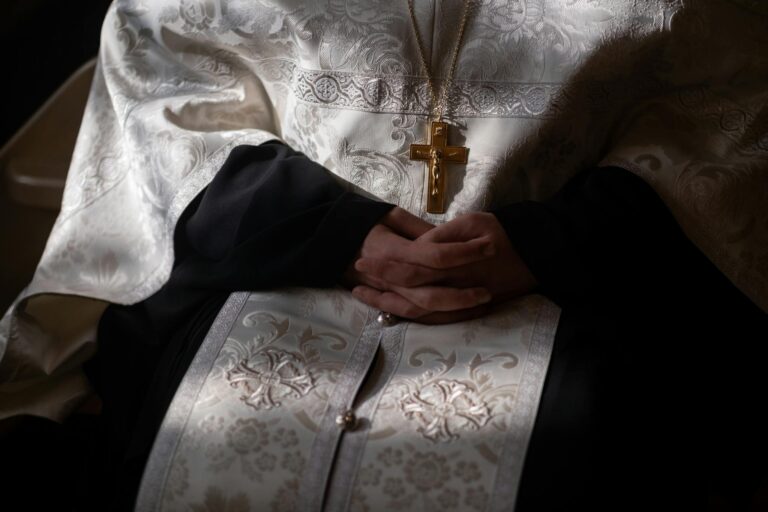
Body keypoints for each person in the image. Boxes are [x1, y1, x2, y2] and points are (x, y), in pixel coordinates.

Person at [1, 1, 767, 510]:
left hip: (570, 284)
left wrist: (550, 242)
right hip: (264, 253)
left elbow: (729, 113)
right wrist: (329, 230)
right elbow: (163, 82)